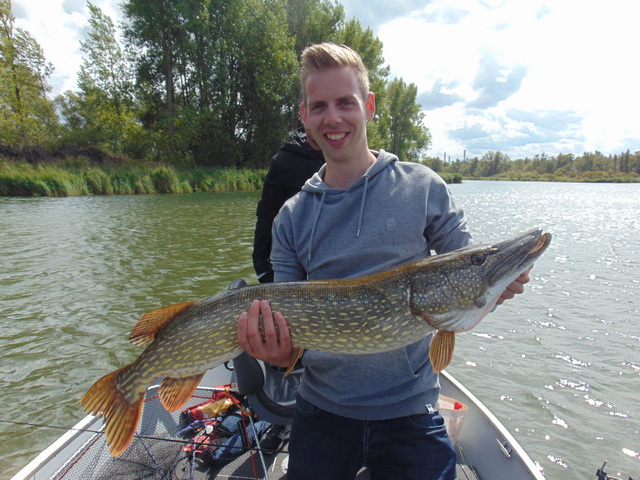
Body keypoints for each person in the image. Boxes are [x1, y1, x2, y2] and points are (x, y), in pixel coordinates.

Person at [238, 42, 531, 479]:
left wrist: (495, 285)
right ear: (305, 118)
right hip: (321, 412)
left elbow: (465, 272)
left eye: (345, 103)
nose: (332, 118)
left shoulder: (423, 187)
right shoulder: (292, 218)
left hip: (411, 412)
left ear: (369, 107)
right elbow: (287, 341)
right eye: (319, 106)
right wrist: (278, 354)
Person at [252, 126, 324, 283]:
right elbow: (266, 214)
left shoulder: (340, 156)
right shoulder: (283, 161)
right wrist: (261, 266)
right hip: (291, 260)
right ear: (305, 117)